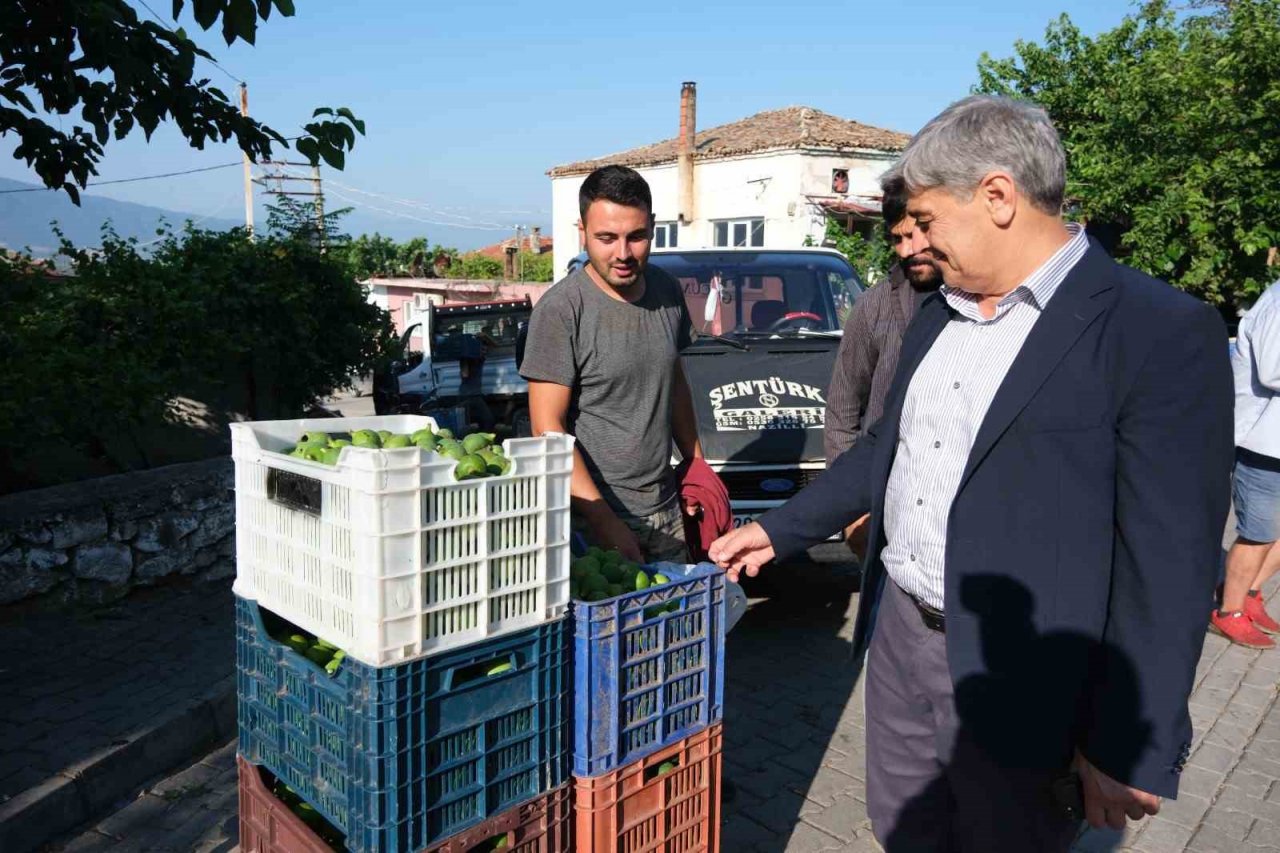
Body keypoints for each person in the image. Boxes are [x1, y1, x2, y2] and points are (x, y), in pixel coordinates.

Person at [709, 95, 1233, 851]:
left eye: (926, 219)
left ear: (997, 196)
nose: (915, 241)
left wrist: (1126, 741)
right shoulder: (939, 311)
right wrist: (778, 529)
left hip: (1023, 681)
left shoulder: (1156, 332)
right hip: (899, 640)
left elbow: (1171, 561)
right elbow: (887, 444)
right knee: (902, 828)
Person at [519, 165, 702, 563]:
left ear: (652, 227)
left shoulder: (667, 291)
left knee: (674, 621)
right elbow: (546, 429)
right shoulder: (562, 311)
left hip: (666, 506)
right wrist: (603, 521)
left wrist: (696, 464)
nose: (622, 253)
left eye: (636, 236)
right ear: (582, 232)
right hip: (591, 520)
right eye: (606, 238)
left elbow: (674, 381)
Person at [825, 177, 943, 559]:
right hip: (884, 507)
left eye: (917, 234)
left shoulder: (977, 302)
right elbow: (843, 413)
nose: (908, 250)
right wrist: (851, 510)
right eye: (897, 239)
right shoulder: (874, 307)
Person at [1213, 279, 1280, 647]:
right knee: (1258, 532)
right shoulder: (1278, 304)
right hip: (1263, 439)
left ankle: (1249, 592)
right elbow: (1272, 370)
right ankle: (1229, 611)